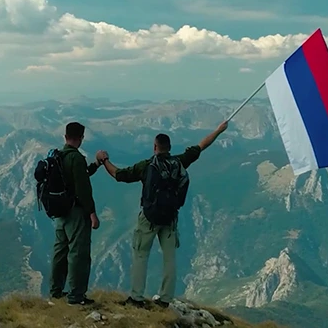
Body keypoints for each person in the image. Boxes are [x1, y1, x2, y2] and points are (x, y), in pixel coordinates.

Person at [95, 120, 228, 308]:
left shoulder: (146, 166)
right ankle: (166, 299)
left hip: (148, 218)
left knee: (141, 255)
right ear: (170, 148)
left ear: (154, 147)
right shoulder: (179, 162)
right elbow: (201, 146)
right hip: (170, 218)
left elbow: (119, 175)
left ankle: (136, 297)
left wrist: (104, 160)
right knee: (169, 258)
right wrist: (218, 130)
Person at [48, 121, 101, 305]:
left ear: (65, 137)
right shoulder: (76, 158)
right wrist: (92, 213)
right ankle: (76, 296)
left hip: (60, 213)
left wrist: (95, 164)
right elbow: (83, 188)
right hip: (76, 213)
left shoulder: (59, 156)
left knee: (60, 252)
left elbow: (82, 175)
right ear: (81, 138)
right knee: (78, 254)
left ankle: (55, 291)